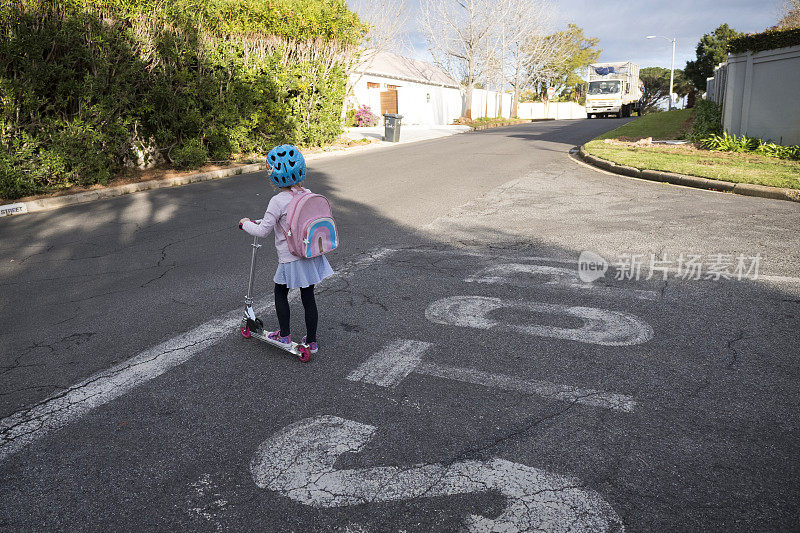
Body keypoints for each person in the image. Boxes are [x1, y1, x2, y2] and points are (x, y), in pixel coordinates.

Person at [239, 144, 334, 353]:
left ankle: (284, 335)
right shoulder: (307, 193)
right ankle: (312, 341)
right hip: (309, 253)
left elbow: (263, 230)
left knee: (280, 291)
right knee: (308, 296)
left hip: (290, 257)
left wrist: (245, 223)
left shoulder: (277, 200)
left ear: (273, 175)